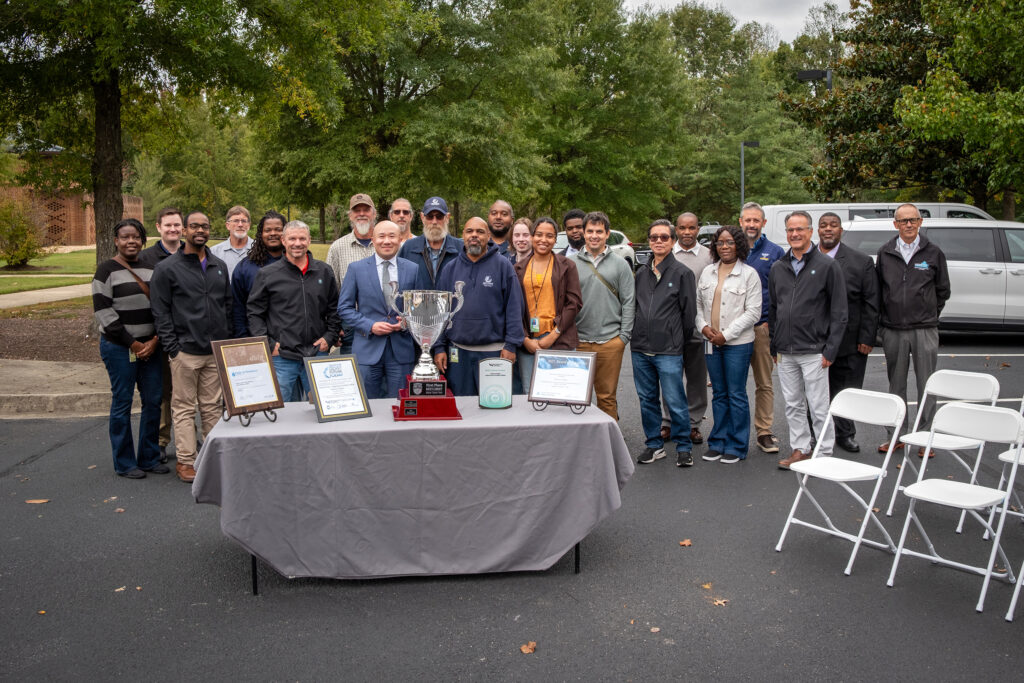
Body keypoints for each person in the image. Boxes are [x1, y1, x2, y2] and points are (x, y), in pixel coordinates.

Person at [150, 210, 233, 483]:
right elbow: (160, 312)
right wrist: (173, 347)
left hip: (214, 350)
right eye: (195, 226)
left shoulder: (218, 265)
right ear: (185, 230)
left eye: (205, 226)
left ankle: (211, 459)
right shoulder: (167, 269)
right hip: (185, 351)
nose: (200, 230)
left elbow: (227, 306)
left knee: (211, 407)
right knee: (184, 408)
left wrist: (226, 341)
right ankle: (186, 460)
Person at [770, 211, 848, 470]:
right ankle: (800, 449)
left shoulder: (827, 266)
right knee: (792, 404)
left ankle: (824, 454)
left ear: (810, 232)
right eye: (791, 230)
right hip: (785, 350)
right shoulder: (778, 267)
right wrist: (773, 344)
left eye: (800, 229)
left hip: (815, 349)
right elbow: (774, 308)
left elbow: (839, 312)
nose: (795, 234)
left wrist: (831, 349)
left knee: (818, 406)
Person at [92, 218, 167, 479]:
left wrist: (154, 340)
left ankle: (148, 457)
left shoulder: (152, 269)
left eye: (135, 237)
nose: (131, 241)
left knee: (153, 402)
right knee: (122, 402)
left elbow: (162, 308)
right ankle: (124, 462)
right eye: (125, 237)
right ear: (116, 241)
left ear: (142, 240)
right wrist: (134, 344)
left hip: (152, 347)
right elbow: (104, 313)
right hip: (119, 348)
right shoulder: (106, 270)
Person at [876, 202, 950, 455]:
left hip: (924, 329)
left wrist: (927, 313)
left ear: (920, 222)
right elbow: (879, 291)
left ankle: (925, 438)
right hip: (893, 329)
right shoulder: (885, 253)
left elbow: (943, 290)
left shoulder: (933, 252)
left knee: (927, 385)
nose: (908, 224)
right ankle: (896, 435)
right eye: (903, 221)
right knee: (895, 387)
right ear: (895, 224)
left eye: (913, 220)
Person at [247, 220, 341, 401]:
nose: (297, 243)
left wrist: (329, 338)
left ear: (309, 240)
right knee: (279, 409)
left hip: (317, 353)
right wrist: (270, 344)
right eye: (292, 238)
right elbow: (254, 313)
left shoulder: (324, 272)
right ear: (283, 241)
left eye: (302, 238)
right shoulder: (267, 274)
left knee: (322, 407)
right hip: (282, 357)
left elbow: (334, 309)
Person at [432, 217, 524, 396]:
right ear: (462, 236)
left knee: (494, 407)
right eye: (469, 231)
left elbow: (514, 308)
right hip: (457, 354)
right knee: (462, 409)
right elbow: (440, 312)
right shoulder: (450, 269)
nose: (474, 235)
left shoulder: (503, 266)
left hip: (494, 353)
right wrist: (439, 347)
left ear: (488, 236)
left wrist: (511, 345)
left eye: (480, 232)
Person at [631, 219, 697, 468]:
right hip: (640, 348)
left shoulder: (683, 273)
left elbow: (688, 316)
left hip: (668, 349)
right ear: (649, 241)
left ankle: (683, 446)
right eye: (654, 237)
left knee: (675, 400)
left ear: (672, 241)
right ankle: (653, 445)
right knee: (647, 399)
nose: (658, 241)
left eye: (664, 237)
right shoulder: (641, 273)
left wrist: (676, 339)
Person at [696, 225, 761, 464]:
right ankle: (718, 441)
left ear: (739, 245)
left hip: (737, 343)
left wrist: (726, 334)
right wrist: (703, 327)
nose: (724, 246)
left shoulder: (749, 274)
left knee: (735, 394)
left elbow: (753, 312)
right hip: (710, 341)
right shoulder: (707, 273)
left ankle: (736, 445)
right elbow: (698, 306)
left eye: (730, 242)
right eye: (720, 242)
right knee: (719, 394)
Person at [338, 221, 426, 398]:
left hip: (400, 351)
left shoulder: (412, 269)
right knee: (366, 404)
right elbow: (344, 308)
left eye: (392, 236)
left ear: (400, 240)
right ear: (373, 239)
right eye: (381, 236)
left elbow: (420, 307)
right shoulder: (356, 269)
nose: (387, 241)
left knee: (400, 402)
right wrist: (370, 325)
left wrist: (407, 322)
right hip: (367, 349)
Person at [817, 212, 880, 453]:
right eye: (824, 226)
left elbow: (871, 302)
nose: (828, 229)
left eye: (833, 225)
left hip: (851, 340)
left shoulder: (860, 261)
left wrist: (867, 337)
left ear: (841, 230)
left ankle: (845, 434)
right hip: (816, 340)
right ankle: (820, 434)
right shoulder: (807, 258)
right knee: (817, 392)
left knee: (847, 390)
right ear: (818, 231)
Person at [571, 211, 635, 420]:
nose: (594, 235)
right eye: (590, 231)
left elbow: (628, 301)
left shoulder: (620, 264)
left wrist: (623, 337)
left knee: (607, 397)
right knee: (578, 398)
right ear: (583, 233)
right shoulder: (571, 263)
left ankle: (609, 445)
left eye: (599, 231)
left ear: (607, 234)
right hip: (579, 341)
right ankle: (582, 444)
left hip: (610, 341)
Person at [661, 211, 712, 445]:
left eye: (691, 228)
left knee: (697, 379)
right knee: (670, 377)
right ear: (676, 229)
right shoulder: (666, 253)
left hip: (698, 329)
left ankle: (693, 424)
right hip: (669, 330)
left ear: (698, 229)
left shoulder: (709, 256)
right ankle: (669, 422)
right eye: (682, 228)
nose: (687, 232)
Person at [513, 217, 582, 390]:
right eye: (539, 235)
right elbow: (513, 307)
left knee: (561, 392)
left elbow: (574, 303)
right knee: (531, 393)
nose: (544, 240)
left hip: (559, 338)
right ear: (532, 237)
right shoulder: (518, 268)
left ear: (555, 240)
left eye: (549, 236)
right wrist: (524, 339)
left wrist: (554, 334)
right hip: (528, 343)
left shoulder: (567, 266)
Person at [138, 207, 183, 462]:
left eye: (177, 225)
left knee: (187, 393)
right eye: (168, 225)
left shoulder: (192, 253)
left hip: (187, 335)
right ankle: (161, 440)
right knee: (163, 391)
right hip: (159, 335)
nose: (173, 229)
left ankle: (189, 437)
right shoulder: (146, 258)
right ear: (158, 227)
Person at [742, 201, 785, 454]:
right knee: (732, 387)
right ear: (740, 222)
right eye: (747, 220)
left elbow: (782, 291)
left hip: (761, 328)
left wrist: (772, 322)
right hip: (733, 332)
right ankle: (733, 432)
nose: (751, 224)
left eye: (756, 220)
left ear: (763, 223)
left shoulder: (776, 252)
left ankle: (764, 432)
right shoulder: (730, 248)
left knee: (764, 384)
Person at [326, 193, 377, 354]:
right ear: (350, 215)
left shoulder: (386, 244)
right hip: (350, 325)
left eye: (366, 210)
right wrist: (333, 326)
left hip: (382, 320)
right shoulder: (337, 247)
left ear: (374, 214)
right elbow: (330, 291)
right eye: (357, 210)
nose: (361, 214)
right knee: (353, 374)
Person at [231, 211, 286, 337]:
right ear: (261, 234)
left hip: (290, 341)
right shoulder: (245, 268)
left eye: (278, 229)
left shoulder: (295, 265)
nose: (273, 233)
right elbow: (237, 309)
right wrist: (243, 339)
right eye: (268, 230)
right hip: (255, 338)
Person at [398, 196, 463, 288]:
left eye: (439, 217)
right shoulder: (409, 248)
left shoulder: (461, 249)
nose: (434, 221)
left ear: (447, 218)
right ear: (422, 218)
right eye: (429, 217)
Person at [209, 205, 253, 280]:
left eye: (244, 221)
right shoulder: (214, 252)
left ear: (248, 225)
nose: (240, 225)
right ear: (228, 225)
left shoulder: (260, 249)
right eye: (236, 221)